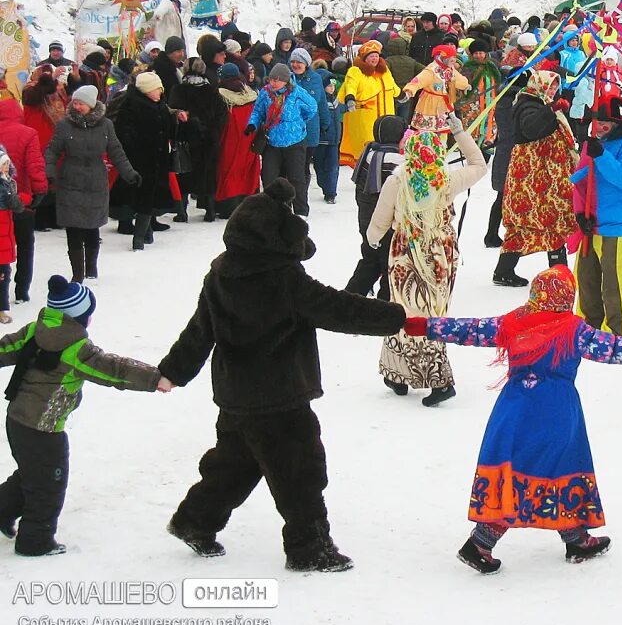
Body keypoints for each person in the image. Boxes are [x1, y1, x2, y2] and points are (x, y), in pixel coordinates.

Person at [161, 179, 412, 572]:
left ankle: (195, 520)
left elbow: (199, 331)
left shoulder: (221, 273)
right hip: (278, 396)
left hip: (236, 394)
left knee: (235, 462)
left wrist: (173, 371)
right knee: (300, 470)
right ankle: (309, 547)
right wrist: (396, 317)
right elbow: (336, 308)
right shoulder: (283, 278)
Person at [422, 266, 622, 574]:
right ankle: (480, 543)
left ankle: (575, 537)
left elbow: (469, 328)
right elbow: (617, 347)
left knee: (522, 469)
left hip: (514, 410)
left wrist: (426, 326)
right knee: (555, 467)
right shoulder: (573, 329)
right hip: (555, 413)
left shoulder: (512, 323)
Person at [0, 275, 166, 556]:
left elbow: (4, 348)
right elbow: (114, 369)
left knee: (33, 473)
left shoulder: (34, 330)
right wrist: (155, 378)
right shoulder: (77, 349)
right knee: (48, 485)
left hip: (17, 420)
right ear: (80, 318)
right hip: (43, 429)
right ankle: (35, 541)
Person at [368, 116, 486, 406]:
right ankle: (398, 374)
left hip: (406, 253)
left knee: (404, 311)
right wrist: (459, 132)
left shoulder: (397, 180)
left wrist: (372, 240)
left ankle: (438, 379)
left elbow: (379, 222)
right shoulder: (446, 179)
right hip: (439, 255)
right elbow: (479, 165)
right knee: (430, 313)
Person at [44, 86, 140, 280]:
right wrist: (50, 172)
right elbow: (52, 151)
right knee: (73, 228)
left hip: (96, 182)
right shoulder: (64, 125)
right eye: (75, 103)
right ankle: (77, 274)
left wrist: (129, 173)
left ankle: (91, 270)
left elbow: (116, 151)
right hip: (70, 181)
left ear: (91, 104)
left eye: (81, 103)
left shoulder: (105, 125)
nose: (77, 107)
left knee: (92, 227)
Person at [571, 88, 622, 336]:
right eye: (597, 121)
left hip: (617, 227)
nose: (600, 126)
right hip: (592, 225)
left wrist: (601, 155)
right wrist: (579, 212)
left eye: (604, 122)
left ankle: (620, 334)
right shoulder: (596, 145)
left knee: (616, 286)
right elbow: (581, 178)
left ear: (617, 122)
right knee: (587, 282)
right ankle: (589, 329)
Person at [493, 71, 577, 287]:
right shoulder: (527, 104)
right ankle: (559, 274)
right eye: (549, 86)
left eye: (554, 87)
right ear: (537, 85)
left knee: (542, 221)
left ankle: (506, 271)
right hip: (534, 177)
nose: (552, 91)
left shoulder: (538, 102)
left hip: (543, 176)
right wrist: (550, 110)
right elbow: (530, 130)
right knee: (544, 220)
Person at [109, 72, 184, 252]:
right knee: (143, 198)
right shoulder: (132, 106)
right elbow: (124, 134)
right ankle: (139, 238)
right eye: (157, 88)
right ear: (147, 90)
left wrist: (179, 122)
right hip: (140, 161)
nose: (160, 91)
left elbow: (168, 129)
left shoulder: (159, 106)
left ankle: (146, 232)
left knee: (149, 198)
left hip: (158, 159)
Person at [485, 33, 538, 249]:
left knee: (503, 196)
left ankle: (493, 233)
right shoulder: (513, 104)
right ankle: (498, 233)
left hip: (505, 152)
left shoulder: (504, 101)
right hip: (512, 154)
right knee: (509, 196)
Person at [346, 115, 406, 301]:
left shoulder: (369, 152)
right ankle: (384, 306)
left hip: (366, 218)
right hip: (385, 224)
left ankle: (348, 301)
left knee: (369, 261)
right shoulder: (396, 160)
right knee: (389, 265)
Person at [246, 64, 317, 217]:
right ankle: (272, 210)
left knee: (296, 178)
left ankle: (301, 211)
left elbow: (312, 107)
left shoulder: (297, 92)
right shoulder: (265, 93)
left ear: (286, 81)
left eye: (277, 80)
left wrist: (299, 123)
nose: (273, 83)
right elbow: (257, 111)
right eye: (272, 79)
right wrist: (252, 124)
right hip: (272, 142)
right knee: (269, 177)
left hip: (295, 141)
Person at [168, 58, 227, 224]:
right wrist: (213, 129)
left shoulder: (178, 90)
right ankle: (210, 210)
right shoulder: (211, 90)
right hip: (209, 139)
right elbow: (222, 115)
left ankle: (182, 212)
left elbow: (172, 113)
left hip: (186, 139)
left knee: (184, 173)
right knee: (208, 173)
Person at [0, 99, 44, 304]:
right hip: (23, 198)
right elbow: (34, 164)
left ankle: (2, 291)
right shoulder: (28, 133)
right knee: (26, 245)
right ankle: (22, 289)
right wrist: (40, 190)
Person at [336, 41, 401, 167]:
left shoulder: (384, 70)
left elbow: (392, 86)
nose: (375, 59)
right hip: (366, 117)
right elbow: (351, 85)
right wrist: (350, 98)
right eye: (371, 56)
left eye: (376, 56)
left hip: (386, 116)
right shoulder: (356, 71)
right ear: (365, 58)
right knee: (367, 145)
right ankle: (364, 171)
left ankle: (382, 171)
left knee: (386, 145)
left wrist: (401, 94)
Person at [288, 49, 335, 203]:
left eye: (299, 62)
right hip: (290, 129)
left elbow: (321, 103)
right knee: (292, 165)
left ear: (306, 63)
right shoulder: (287, 76)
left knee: (304, 165)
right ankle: (291, 196)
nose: (295, 65)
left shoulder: (315, 78)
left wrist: (325, 123)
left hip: (310, 129)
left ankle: (301, 197)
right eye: (293, 62)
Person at [213, 63, 258, 219]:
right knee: (247, 170)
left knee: (228, 168)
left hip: (230, 139)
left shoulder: (220, 94)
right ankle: (249, 203)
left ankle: (228, 206)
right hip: (249, 137)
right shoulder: (250, 93)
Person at [0, 151, 18, 322]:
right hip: (3, 236)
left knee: (4, 274)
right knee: (3, 274)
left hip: (5, 236)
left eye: (8, 164)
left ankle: (2, 309)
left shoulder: (8, 183)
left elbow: (17, 205)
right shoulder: (5, 187)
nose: (7, 168)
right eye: (4, 164)